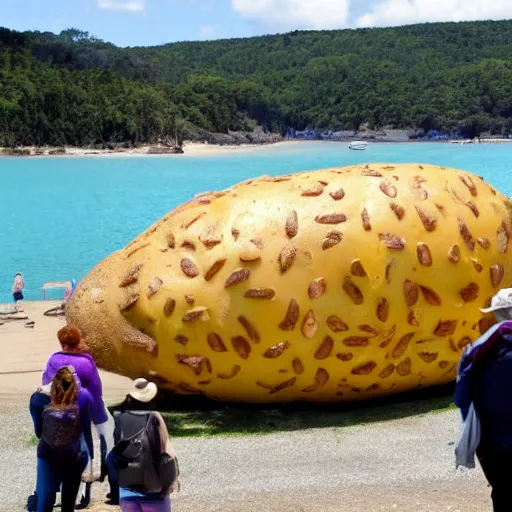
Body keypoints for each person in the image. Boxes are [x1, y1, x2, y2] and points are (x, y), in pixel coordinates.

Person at [41, 324, 118, 503]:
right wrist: (99, 416)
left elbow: (46, 383)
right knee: (87, 447)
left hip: (58, 411)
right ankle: (84, 494)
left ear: (61, 342)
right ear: (77, 341)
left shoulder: (54, 359)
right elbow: (95, 390)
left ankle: (61, 491)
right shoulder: (86, 362)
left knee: (58, 449)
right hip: (82, 409)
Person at [455, 288, 512, 512]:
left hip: (494, 444)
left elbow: (461, 399)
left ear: (496, 315)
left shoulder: (480, 352)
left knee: (503, 494)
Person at [110, 378, 180, 512]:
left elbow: (113, 451)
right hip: (153, 489)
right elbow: (167, 450)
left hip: (126, 491)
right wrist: (173, 478)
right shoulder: (154, 416)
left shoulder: (118, 417)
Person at [29, 366, 94, 512]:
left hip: (48, 454)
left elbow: (39, 432)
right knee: (68, 503)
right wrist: (92, 460)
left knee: (44, 503)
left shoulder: (38, 399)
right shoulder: (83, 397)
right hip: (75, 454)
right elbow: (86, 430)